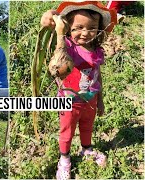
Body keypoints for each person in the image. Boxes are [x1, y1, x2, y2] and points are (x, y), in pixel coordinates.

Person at [40, 1, 117, 179]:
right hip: (69, 101)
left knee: (87, 127)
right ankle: (64, 159)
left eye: (92, 27)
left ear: (98, 29)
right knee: (66, 132)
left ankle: (86, 150)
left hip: (90, 99)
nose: (85, 32)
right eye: (78, 27)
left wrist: (101, 100)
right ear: (68, 28)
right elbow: (47, 22)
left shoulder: (97, 50)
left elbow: (98, 75)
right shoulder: (67, 46)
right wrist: (53, 16)